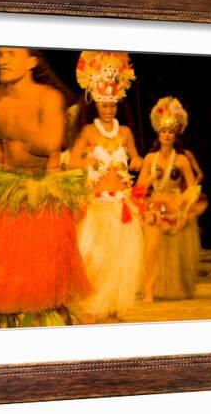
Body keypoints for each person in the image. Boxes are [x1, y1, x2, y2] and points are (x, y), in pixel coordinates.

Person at [0, 47, 92, 328]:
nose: (2, 60)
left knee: (39, 283)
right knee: (0, 279)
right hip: (5, 190)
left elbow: (49, 143)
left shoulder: (48, 97)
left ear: (31, 61)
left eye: (11, 54)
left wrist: (11, 124)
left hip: (40, 194)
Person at [69, 51, 145, 322]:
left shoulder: (124, 132)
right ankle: (94, 303)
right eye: (104, 104)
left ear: (117, 104)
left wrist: (136, 159)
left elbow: (136, 156)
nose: (108, 109)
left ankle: (112, 303)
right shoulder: (89, 131)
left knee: (120, 259)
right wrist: (88, 160)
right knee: (96, 258)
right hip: (97, 204)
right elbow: (73, 161)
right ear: (96, 103)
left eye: (112, 105)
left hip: (121, 204)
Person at [137, 96, 206, 302]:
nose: (166, 135)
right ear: (158, 134)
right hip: (155, 207)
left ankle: (173, 287)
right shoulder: (150, 159)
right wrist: (151, 178)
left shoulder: (182, 159)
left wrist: (182, 204)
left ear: (175, 136)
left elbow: (193, 188)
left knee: (174, 253)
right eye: (163, 131)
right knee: (152, 249)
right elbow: (139, 188)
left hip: (175, 208)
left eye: (170, 132)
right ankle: (149, 290)